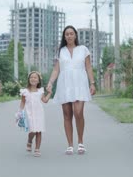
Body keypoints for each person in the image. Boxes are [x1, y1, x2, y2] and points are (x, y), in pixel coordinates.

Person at [46, 25, 96, 155]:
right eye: (66, 34)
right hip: (65, 84)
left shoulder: (83, 49)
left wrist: (92, 83)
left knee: (78, 112)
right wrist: (51, 82)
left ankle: (80, 142)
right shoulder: (60, 51)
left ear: (75, 35)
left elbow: (89, 67)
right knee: (67, 114)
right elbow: (56, 69)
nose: (69, 36)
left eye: (71, 33)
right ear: (64, 36)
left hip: (80, 83)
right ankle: (69, 145)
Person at [20, 71, 52, 157]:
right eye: (31, 77)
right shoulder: (24, 91)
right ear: (28, 79)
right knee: (32, 131)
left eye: (35, 77)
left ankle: (37, 149)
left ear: (38, 81)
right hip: (29, 114)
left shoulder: (40, 91)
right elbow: (22, 102)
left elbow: (45, 100)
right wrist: (20, 112)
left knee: (38, 131)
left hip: (39, 114)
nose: (33, 79)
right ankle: (29, 140)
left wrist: (49, 93)